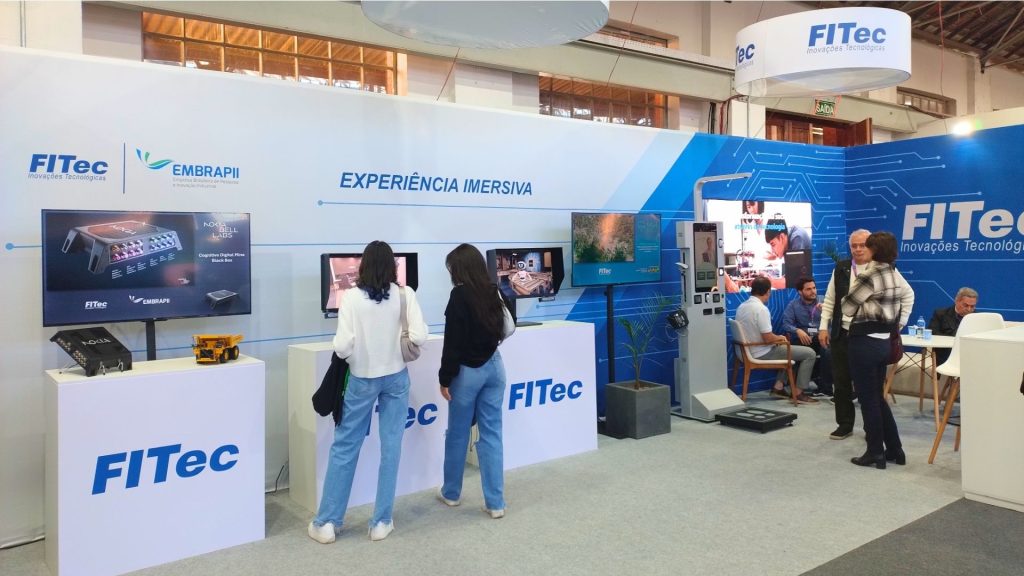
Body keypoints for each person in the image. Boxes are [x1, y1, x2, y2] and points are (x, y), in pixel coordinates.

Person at [308, 240, 428, 544]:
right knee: (391, 447)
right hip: (396, 378)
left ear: (364, 266)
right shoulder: (405, 294)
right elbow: (419, 335)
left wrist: (356, 354)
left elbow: (342, 346)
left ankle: (327, 523)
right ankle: (381, 522)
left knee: (345, 446)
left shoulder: (351, 298)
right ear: (391, 266)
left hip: (361, 379)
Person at [437, 243, 514, 519]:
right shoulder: (494, 290)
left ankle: (451, 493)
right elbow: (510, 324)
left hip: (467, 373)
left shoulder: (459, 296)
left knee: (458, 433)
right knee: (492, 434)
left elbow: (453, 343)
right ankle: (496, 503)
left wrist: (444, 377)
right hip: (495, 367)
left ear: (459, 269)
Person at [819, 229, 912, 441]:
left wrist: (899, 323)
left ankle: (873, 432)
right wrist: (824, 326)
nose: (858, 249)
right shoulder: (841, 267)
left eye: (863, 245)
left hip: (867, 337)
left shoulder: (881, 271)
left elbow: (907, 295)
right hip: (843, 333)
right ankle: (845, 424)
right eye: (854, 246)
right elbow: (831, 299)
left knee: (869, 391)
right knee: (842, 382)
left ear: (873, 248)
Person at [841, 231, 915, 469]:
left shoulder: (869, 275)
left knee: (868, 399)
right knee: (877, 398)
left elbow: (847, 307)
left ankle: (875, 452)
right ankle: (895, 449)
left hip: (864, 342)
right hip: (884, 342)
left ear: (874, 250)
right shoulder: (893, 273)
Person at [734, 275, 818, 403]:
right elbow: (768, 338)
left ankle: (778, 387)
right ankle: (798, 393)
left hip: (745, 351)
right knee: (809, 354)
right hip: (761, 352)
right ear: (768, 291)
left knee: (788, 348)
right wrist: (780, 338)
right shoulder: (761, 309)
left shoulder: (742, 306)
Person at [782, 277, 832, 397]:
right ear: (800, 291)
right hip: (805, 338)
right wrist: (797, 330)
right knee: (791, 349)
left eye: (814, 288)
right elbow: (786, 324)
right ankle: (792, 386)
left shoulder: (824, 301)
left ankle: (825, 388)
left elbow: (837, 320)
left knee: (827, 351)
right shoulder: (794, 305)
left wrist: (827, 313)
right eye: (808, 289)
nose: (813, 291)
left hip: (822, 337)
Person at [929, 287, 979, 365]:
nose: (969, 309)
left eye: (972, 306)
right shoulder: (941, 314)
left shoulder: (978, 318)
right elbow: (932, 333)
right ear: (957, 301)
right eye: (965, 305)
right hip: (945, 355)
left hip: (969, 355)